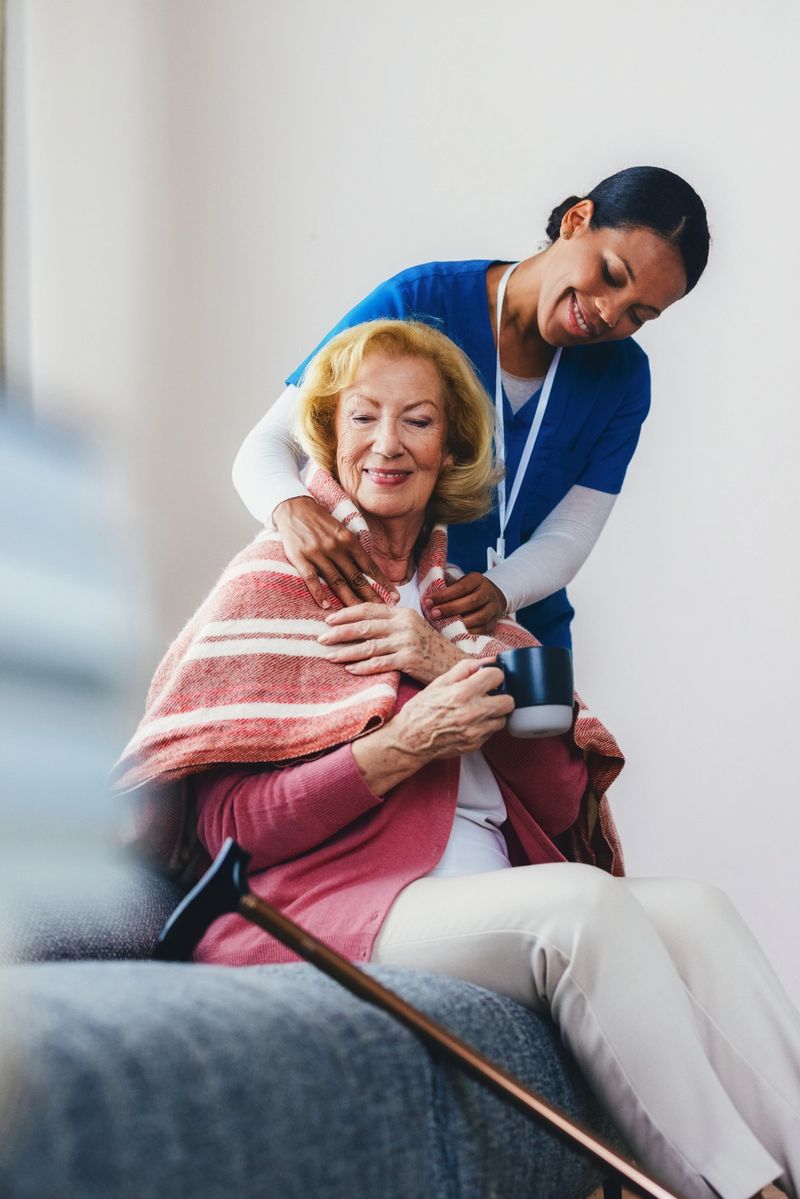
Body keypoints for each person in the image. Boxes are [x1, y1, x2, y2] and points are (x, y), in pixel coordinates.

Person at [118, 321, 798, 1199]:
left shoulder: (469, 612)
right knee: (580, 908)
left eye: (418, 421)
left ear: (453, 450)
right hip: (328, 905)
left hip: (478, 895)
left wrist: (444, 663)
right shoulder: (273, 582)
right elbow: (231, 828)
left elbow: (559, 801)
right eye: (363, 416)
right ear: (329, 433)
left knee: (698, 910)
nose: (387, 443)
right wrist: (399, 746)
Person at [231, 165, 709, 648]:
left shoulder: (622, 377)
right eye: (610, 274)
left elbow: (573, 529)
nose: (610, 312)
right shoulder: (419, 300)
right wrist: (289, 508)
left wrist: (505, 589)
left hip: (517, 625)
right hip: (395, 606)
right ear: (576, 220)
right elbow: (270, 441)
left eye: (638, 314)